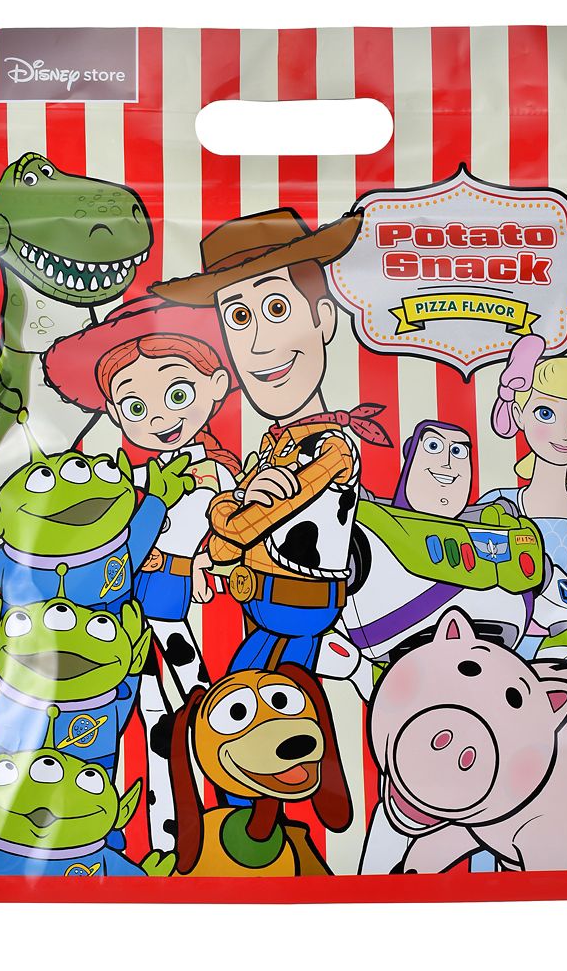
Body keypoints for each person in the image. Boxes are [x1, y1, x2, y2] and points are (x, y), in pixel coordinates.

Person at [151, 207, 387, 686]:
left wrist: (225, 511)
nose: (257, 345)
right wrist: (224, 524)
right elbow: (230, 534)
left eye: (276, 309)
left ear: (323, 319)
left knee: (249, 707)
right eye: (238, 317)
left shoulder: (332, 448)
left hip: (298, 611)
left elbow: (244, 525)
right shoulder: (270, 448)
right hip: (265, 610)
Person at [43, 297, 240, 850]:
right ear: (114, 412)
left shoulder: (215, 474)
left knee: (201, 709)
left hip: (175, 608)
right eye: (135, 407)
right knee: (151, 722)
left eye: (178, 396)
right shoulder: (120, 480)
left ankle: (223, 818)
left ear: (216, 385)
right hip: (122, 619)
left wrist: (206, 561)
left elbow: (226, 536)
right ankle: (165, 840)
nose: (159, 420)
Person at [481, 335, 567, 681]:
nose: (563, 433)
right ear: (519, 414)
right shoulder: (499, 505)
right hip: (506, 646)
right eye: (545, 414)